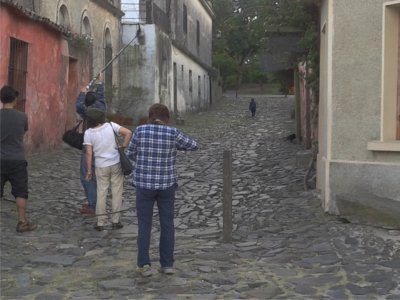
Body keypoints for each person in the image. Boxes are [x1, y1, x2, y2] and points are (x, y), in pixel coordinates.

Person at [127, 103, 198, 277]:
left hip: (144, 185)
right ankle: (167, 265)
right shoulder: (173, 133)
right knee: (167, 225)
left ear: (150, 116)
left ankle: (143, 265)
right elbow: (193, 145)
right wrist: (175, 146)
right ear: (166, 118)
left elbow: (130, 153)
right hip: (166, 185)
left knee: (144, 225)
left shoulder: (140, 131)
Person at [83, 108, 132, 231]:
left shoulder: (88, 133)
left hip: (100, 166)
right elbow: (128, 133)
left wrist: (89, 171)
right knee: (117, 192)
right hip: (115, 163)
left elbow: (89, 154)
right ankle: (116, 221)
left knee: (101, 193)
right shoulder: (111, 125)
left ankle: (100, 222)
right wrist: (123, 146)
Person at [0, 85, 37, 233]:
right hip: (17, 159)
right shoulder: (22, 117)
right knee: (21, 191)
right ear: (15, 99)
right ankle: (22, 222)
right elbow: (24, 130)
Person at [75, 76, 106, 216]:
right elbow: (101, 98)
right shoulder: (101, 108)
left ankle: (93, 206)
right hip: (102, 146)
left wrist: (82, 92)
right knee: (95, 177)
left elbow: (79, 106)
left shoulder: (87, 111)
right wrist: (99, 83)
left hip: (90, 147)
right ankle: (94, 202)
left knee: (86, 176)